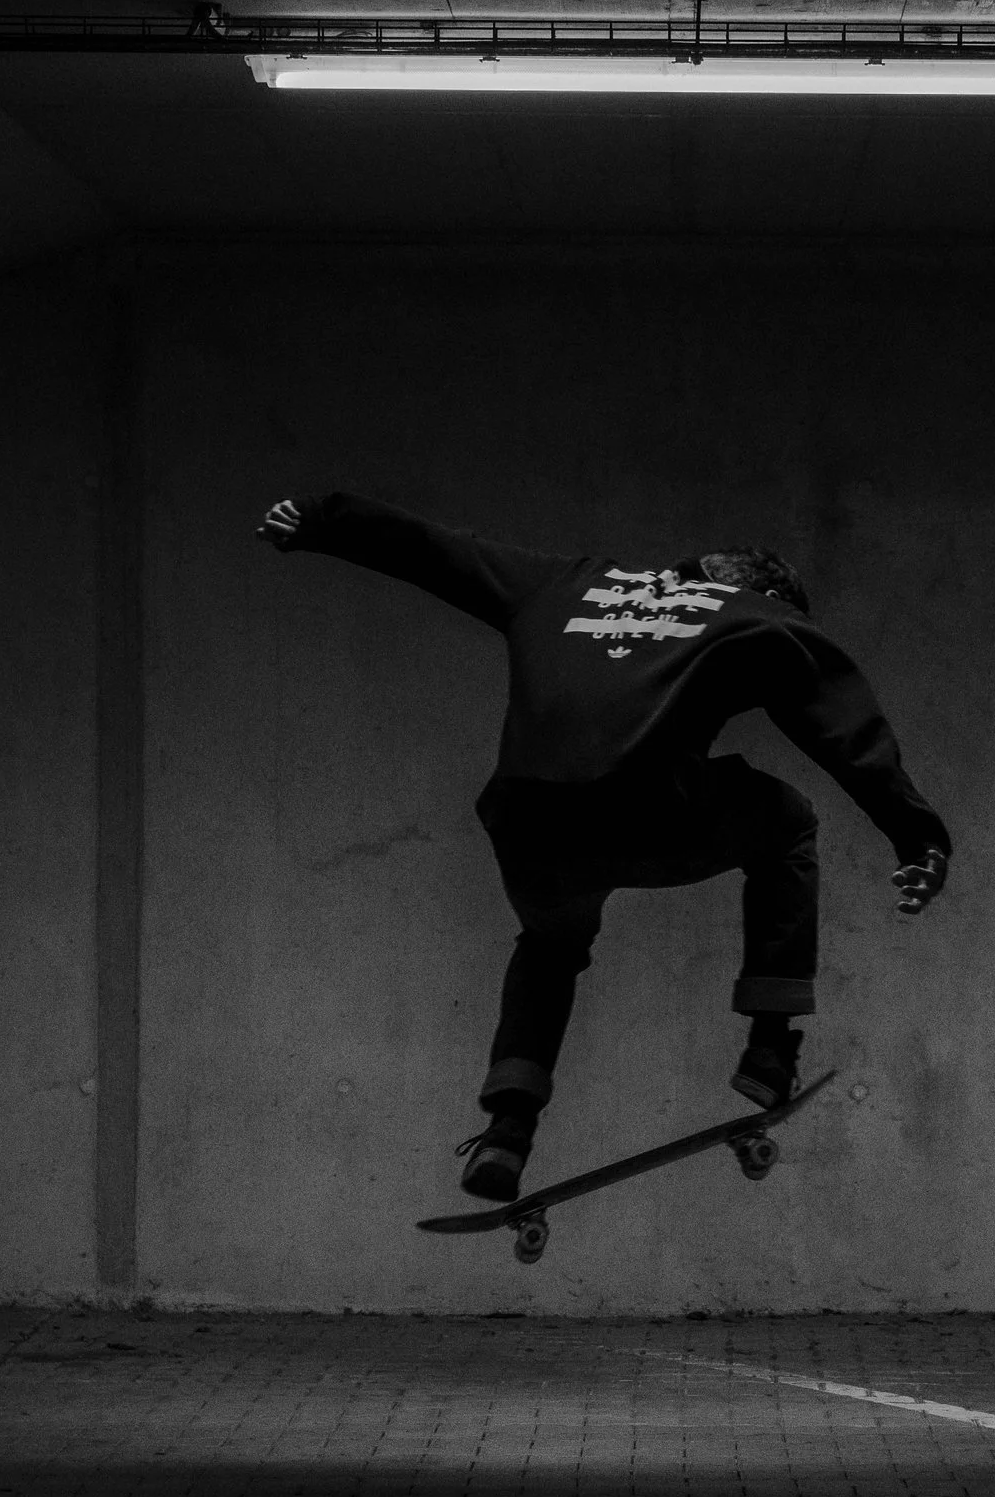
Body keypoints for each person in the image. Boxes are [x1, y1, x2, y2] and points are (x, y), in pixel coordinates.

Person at [259, 492, 951, 1203]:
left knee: (550, 946)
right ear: (771, 593)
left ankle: (507, 1131)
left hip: (529, 825)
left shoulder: (566, 582)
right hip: (645, 810)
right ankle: (771, 1049)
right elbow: (839, 720)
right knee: (789, 822)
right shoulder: (758, 613)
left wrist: (321, 521)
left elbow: (440, 551)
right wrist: (916, 834)